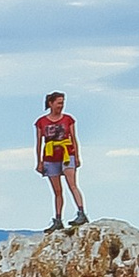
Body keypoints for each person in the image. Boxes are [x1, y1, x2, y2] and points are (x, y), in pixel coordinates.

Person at [35, 92, 85, 230]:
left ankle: (81, 212)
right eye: (58, 102)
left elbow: (74, 137)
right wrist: (39, 162)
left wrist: (78, 155)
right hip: (50, 156)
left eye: (62, 103)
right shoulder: (41, 122)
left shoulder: (68, 119)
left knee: (72, 184)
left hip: (67, 154)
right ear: (50, 104)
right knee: (57, 190)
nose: (61, 106)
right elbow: (39, 142)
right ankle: (58, 219)